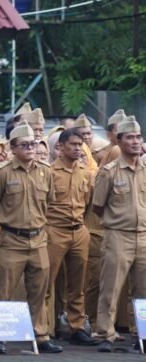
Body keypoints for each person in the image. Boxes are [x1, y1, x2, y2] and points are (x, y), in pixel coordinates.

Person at [0, 122, 62, 354]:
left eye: (33, 144)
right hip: (12, 239)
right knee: (3, 291)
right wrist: (8, 223)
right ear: (13, 148)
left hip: (38, 239)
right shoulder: (3, 172)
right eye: (25, 145)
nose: (31, 148)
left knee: (39, 291)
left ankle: (40, 335)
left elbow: (49, 203)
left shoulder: (45, 171)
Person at [91, 116, 146, 352]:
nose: (135, 142)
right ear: (119, 141)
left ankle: (141, 333)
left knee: (143, 290)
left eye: (138, 137)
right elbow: (97, 206)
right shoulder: (109, 172)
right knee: (111, 288)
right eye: (130, 137)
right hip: (117, 235)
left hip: (144, 236)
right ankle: (106, 333)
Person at [44, 129, 98, 345]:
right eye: (73, 144)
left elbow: (88, 203)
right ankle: (43, 329)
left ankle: (76, 328)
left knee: (78, 284)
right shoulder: (49, 172)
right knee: (46, 283)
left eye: (80, 145)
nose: (78, 148)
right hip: (54, 229)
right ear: (61, 146)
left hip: (78, 230)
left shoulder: (86, 173)